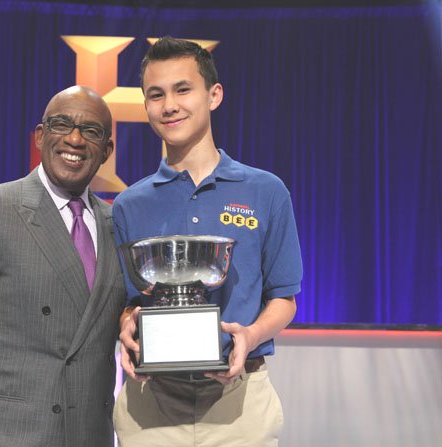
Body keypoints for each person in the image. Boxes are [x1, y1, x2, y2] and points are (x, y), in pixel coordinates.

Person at [112, 37, 303, 446]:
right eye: (156, 94)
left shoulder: (266, 191)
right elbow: (128, 299)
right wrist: (127, 325)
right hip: (151, 405)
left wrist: (249, 336)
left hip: (240, 406)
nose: (169, 105)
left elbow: (284, 299)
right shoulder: (129, 204)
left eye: (183, 89)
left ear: (213, 95)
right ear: (145, 106)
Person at [0, 85, 126, 447]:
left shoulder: (118, 225)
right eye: (62, 124)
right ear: (40, 136)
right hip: (9, 437)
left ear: (107, 151)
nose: (75, 139)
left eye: (91, 131)